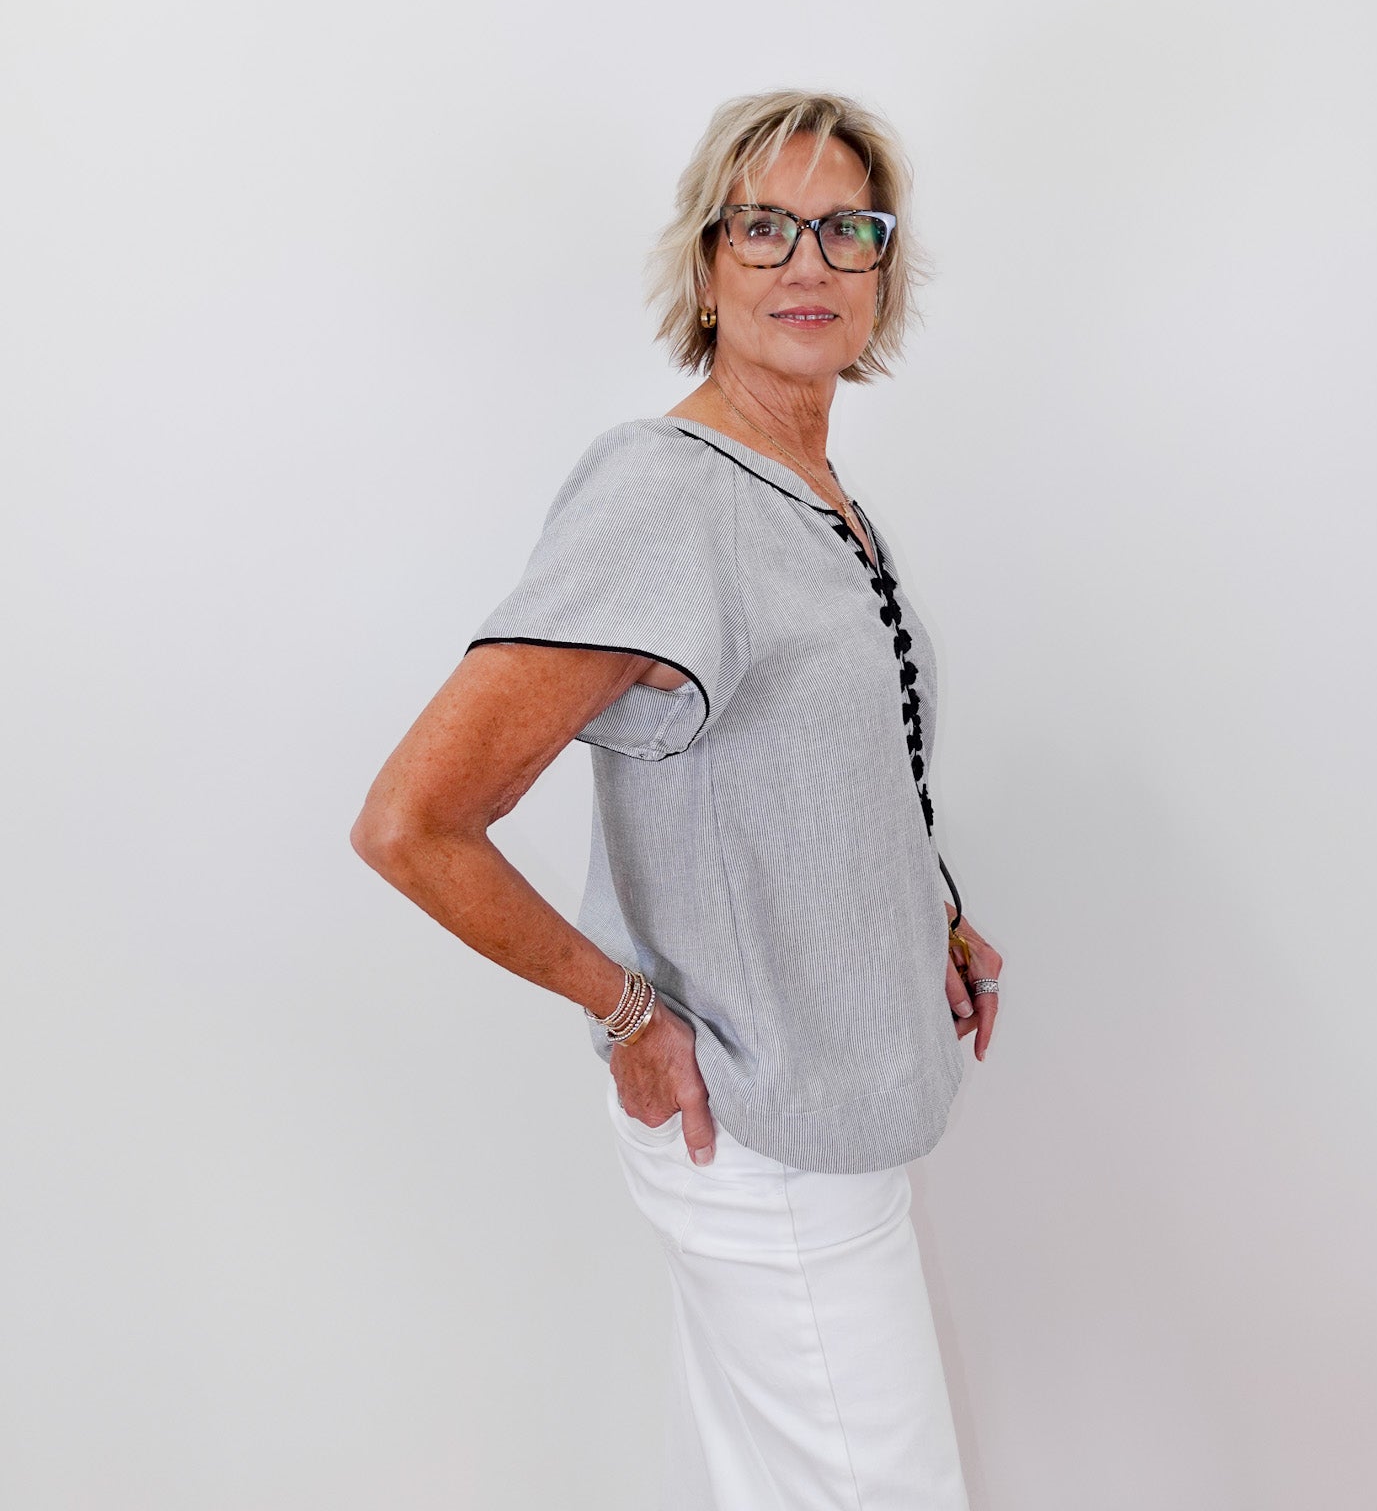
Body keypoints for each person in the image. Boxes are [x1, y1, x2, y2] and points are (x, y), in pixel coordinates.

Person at [350, 90, 1003, 1509]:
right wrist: (627, 1011)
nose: (809, 262)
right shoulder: (666, 494)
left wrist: (926, 918)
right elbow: (414, 822)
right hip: (766, 1139)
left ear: (886, 273)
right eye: (766, 227)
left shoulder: (810, 485)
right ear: (707, 268)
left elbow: (808, 762)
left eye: (848, 230)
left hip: (827, 1109)